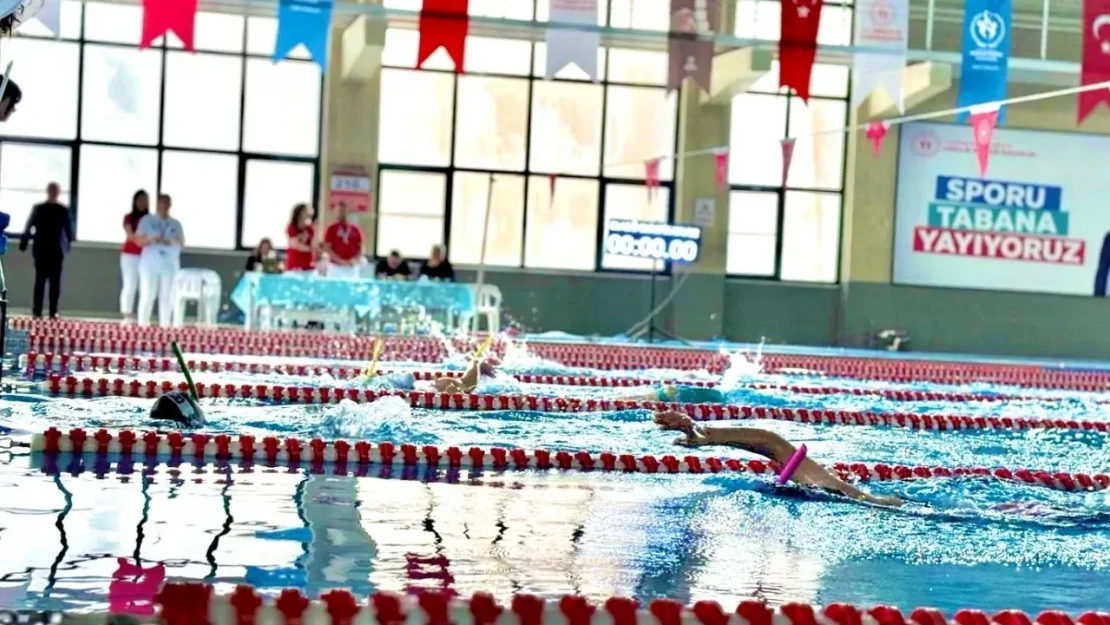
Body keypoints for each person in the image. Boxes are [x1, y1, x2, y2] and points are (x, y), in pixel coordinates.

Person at [653, 411, 904, 507]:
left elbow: (771, 443)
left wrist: (712, 436)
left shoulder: (843, 492)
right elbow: (771, 443)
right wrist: (710, 435)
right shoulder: (831, 488)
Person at [18, 182, 74, 318]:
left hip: (56, 250)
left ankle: (53, 311)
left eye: (56, 190)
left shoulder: (63, 210)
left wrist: (68, 244)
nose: (53, 192)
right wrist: (24, 242)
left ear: (58, 192)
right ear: (48, 191)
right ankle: (37, 311)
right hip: (41, 249)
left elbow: (68, 230)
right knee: (40, 282)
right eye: (51, 190)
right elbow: (29, 225)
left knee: (55, 283)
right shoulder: (39, 208)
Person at [134, 194, 184, 326]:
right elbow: (138, 241)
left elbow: (181, 243)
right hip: (150, 262)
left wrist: (170, 242)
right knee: (147, 294)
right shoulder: (147, 220)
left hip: (169, 263)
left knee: (167, 296)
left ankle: (165, 325)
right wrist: (150, 239)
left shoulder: (176, 224)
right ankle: (143, 325)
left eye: (166, 203)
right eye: (161, 203)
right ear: (157, 204)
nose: (164, 206)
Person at [120, 189, 149, 324]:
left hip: (147, 255)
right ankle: (127, 314)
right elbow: (130, 235)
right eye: (140, 200)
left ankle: (143, 316)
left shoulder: (151, 219)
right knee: (130, 283)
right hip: (130, 255)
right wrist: (142, 239)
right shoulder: (128, 217)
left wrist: (146, 240)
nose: (142, 203)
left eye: (145, 200)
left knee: (145, 285)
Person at [323, 201, 364, 279]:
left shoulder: (355, 229)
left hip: (351, 267)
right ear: (334, 212)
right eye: (338, 211)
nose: (340, 213)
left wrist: (355, 260)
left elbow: (361, 247)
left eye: (342, 211)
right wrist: (341, 261)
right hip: (335, 267)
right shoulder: (330, 229)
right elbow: (327, 248)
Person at [285, 203, 315, 272]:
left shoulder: (310, 228)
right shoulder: (291, 227)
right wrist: (310, 249)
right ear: (300, 213)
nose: (308, 213)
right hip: (294, 263)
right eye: (306, 211)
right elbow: (295, 244)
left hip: (307, 264)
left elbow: (315, 243)